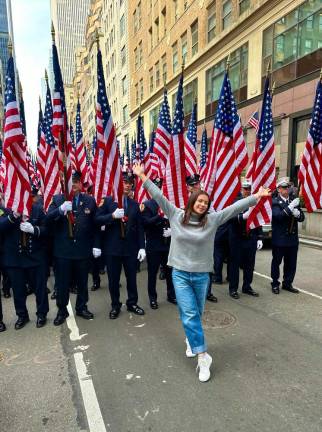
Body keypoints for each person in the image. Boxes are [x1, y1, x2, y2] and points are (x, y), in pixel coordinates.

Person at [133, 162, 270, 382]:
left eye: (205, 202)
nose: (202, 204)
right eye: (199, 201)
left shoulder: (212, 220)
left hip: (201, 275)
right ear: (192, 202)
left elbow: (233, 209)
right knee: (188, 313)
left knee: (194, 313)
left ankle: (191, 339)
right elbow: (158, 196)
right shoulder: (176, 215)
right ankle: (203, 356)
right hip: (180, 273)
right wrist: (142, 176)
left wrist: (256, 197)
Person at [47, 171, 100, 326]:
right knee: (62, 283)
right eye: (71, 181)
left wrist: (96, 245)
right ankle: (61, 310)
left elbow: (95, 225)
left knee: (82, 282)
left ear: (81, 183)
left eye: (76, 181)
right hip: (63, 251)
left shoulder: (89, 200)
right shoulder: (57, 200)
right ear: (65, 184)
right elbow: (47, 219)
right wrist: (60, 210)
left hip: (82, 250)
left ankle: (81, 307)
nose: (74, 185)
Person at [95, 172, 146, 319]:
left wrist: (142, 247)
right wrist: (111, 216)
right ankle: (115, 305)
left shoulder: (135, 204)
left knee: (131, 278)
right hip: (112, 248)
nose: (127, 185)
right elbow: (97, 220)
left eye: (129, 183)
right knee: (113, 280)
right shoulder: (108, 202)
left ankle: (132, 303)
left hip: (130, 248)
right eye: (124, 182)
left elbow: (140, 227)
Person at [0, 187, 49, 329]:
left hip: (35, 256)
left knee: (39, 288)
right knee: (18, 290)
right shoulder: (6, 211)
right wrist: (13, 217)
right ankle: (22, 315)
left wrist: (35, 230)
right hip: (14, 258)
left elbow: (47, 229)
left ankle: (42, 314)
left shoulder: (37, 209)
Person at [141, 177, 176, 309]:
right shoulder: (147, 205)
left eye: (160, 187)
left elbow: (178, 220)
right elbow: (146, 223)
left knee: (169, 272)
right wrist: (160, 216)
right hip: (154, 245)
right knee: (152, 273)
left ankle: (171, 295)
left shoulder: (168, 203)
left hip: (167, 245)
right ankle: (153, 298)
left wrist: (173, 230)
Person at [228, 180, 262, 299]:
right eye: (245, 189)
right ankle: (233, 288)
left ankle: (247, 286)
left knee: (249, 264)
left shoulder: (255, 202)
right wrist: (241, 217)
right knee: (234, 265)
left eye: (249, 189)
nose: (247, 191)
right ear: (241, 189)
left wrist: (259, 237)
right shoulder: (235, 202)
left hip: (250, 237)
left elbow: (258, 220)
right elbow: (228, 218)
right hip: (237, 238)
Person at [186, 174, 217, 303]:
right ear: (188, 187)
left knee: (206, 265)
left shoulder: (205, 199)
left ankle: (207, 291)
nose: (196, 186)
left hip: (204, 236)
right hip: (187, 239)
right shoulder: (182, 198)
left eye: (197, 184)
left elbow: (213, 213)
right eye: (193, 185)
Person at [271, 177, 305, 294]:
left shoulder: (293, 200)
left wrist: (298, 214)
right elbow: (278, 217)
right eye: (284, 187)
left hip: (292, 239)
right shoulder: (274, 201)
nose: (287, 189)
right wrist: (290, 208)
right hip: (279, 239)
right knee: (277, 262)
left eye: (288, 187)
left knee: (291, 263)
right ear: (279, 189)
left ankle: (287, 283)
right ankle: (275, 283)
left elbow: (302, 218)